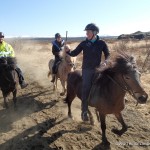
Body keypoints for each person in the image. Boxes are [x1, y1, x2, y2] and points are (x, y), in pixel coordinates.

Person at [64, 23, 110, 121]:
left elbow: (108, 54)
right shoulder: (84, 43)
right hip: (87, 70)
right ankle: (84, 111)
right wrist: (68, 51)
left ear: (94, 32)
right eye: (86, 32)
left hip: (98, 68)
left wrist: (106, 62)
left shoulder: (102, 43)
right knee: (86, 87)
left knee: (107, 82)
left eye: (88, 32)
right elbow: (74, 53)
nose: (87, 34)